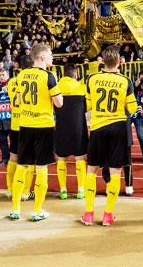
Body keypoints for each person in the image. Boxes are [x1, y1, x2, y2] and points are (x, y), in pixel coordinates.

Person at [81, 46, 137, 226]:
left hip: (98, 128)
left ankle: (89, 213)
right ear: (119, 61)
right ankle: (107, 215)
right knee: (114, 172)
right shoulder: (125, 80)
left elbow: (87, 105)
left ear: (102, 61)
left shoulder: (92, 79)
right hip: (118, 128)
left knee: (91, 171)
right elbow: (133, 108)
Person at [9, 44, 63, 222]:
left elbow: (17, 100)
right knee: (41, 168)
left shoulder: (21, 74)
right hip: (43, 126)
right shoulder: (49, 76)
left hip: (24, 124)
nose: (52, 58)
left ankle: (15, 209)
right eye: (50, 55)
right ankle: (37, 210)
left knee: (22, 166)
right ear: (41, 58)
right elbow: (59, 103)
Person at [55, 64, 89, 200]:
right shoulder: (81, 88)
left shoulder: (56, 87)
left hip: (61, 128)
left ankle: (63, 190)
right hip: (78, 128)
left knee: (61, 159)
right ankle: (80, 190)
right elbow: (86, 107)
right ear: (75, 75)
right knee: (80, 158)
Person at [6, 55, 36, 200]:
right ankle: (25, 191)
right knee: (29, 159)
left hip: (14, 123)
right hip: (28, 122)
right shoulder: (32, 80)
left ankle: (10, 189)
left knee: (13, 157)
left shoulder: (11, 82)